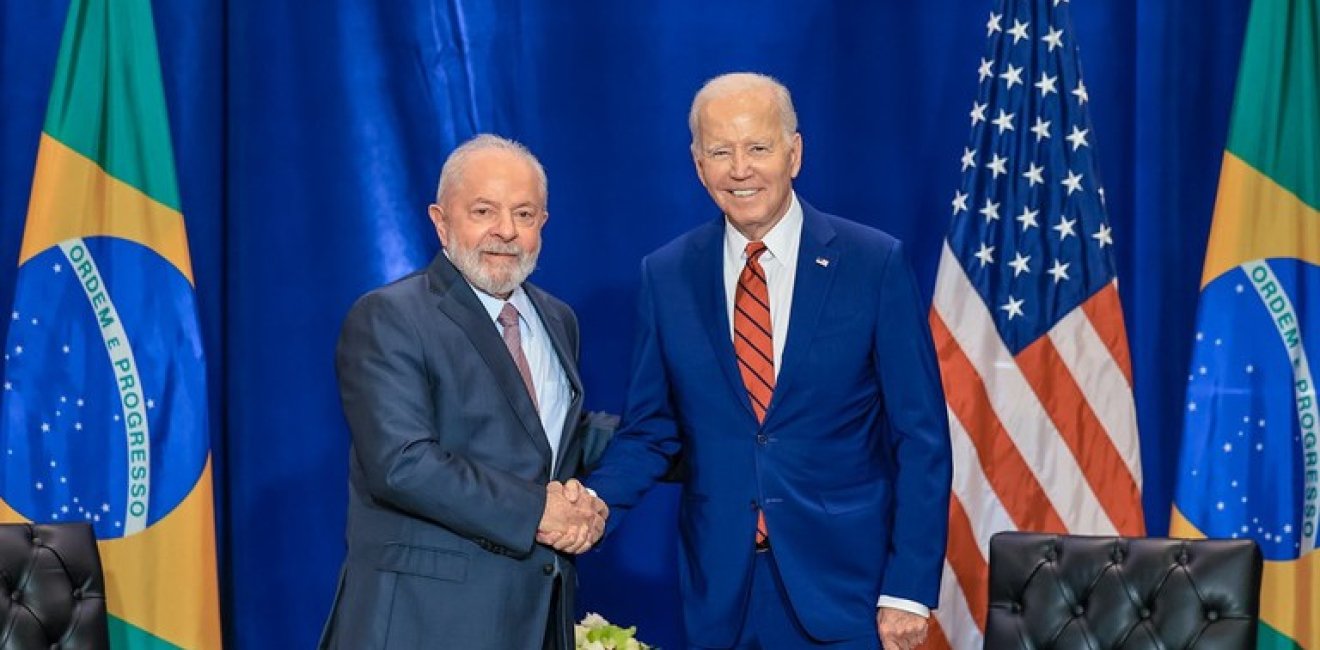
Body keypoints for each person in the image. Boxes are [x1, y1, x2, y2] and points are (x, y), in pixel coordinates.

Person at [586, 73, 952, 650]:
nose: (740, 169)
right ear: (697, 163)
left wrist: (909, 587)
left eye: (757, 148)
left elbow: (921, 437)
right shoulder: (666, 274)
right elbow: (651, 430)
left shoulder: (872, 264)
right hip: (721, 595)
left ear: (794, 153)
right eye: (720, 151)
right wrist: (593, 503)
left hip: (848, 593)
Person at [319, 134, 607, 650]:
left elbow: (551, 440)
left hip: (533, 619)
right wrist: (540, 511)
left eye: (524, 214)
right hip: (423, 625)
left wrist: (672, 440)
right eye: (483, 210)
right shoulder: (390, 316)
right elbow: (402, 463)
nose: (505, 231)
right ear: (440, 219)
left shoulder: (557, 319)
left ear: (542, 224)